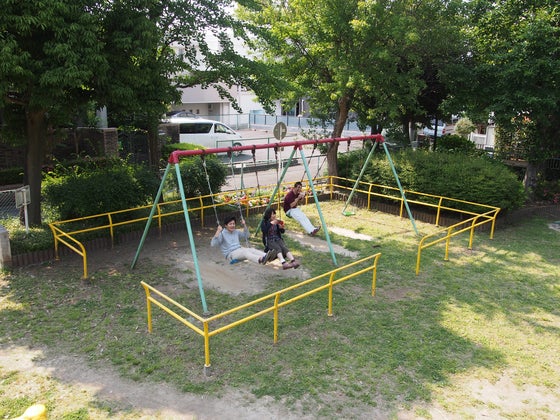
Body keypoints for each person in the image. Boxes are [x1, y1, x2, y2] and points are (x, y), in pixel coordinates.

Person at [211, 216, 275, 265]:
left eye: (233, 224)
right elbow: (213, 244)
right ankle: (261, 259)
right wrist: (218, 232)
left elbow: (246, 235)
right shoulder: (222, 234)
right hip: (231, 254)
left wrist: (244, 225)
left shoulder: (236, 231)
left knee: (251, 250)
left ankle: (267, 256)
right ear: (225, 225)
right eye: (230, 224)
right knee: (245, 252)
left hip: (239, 250)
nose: (232, 225)